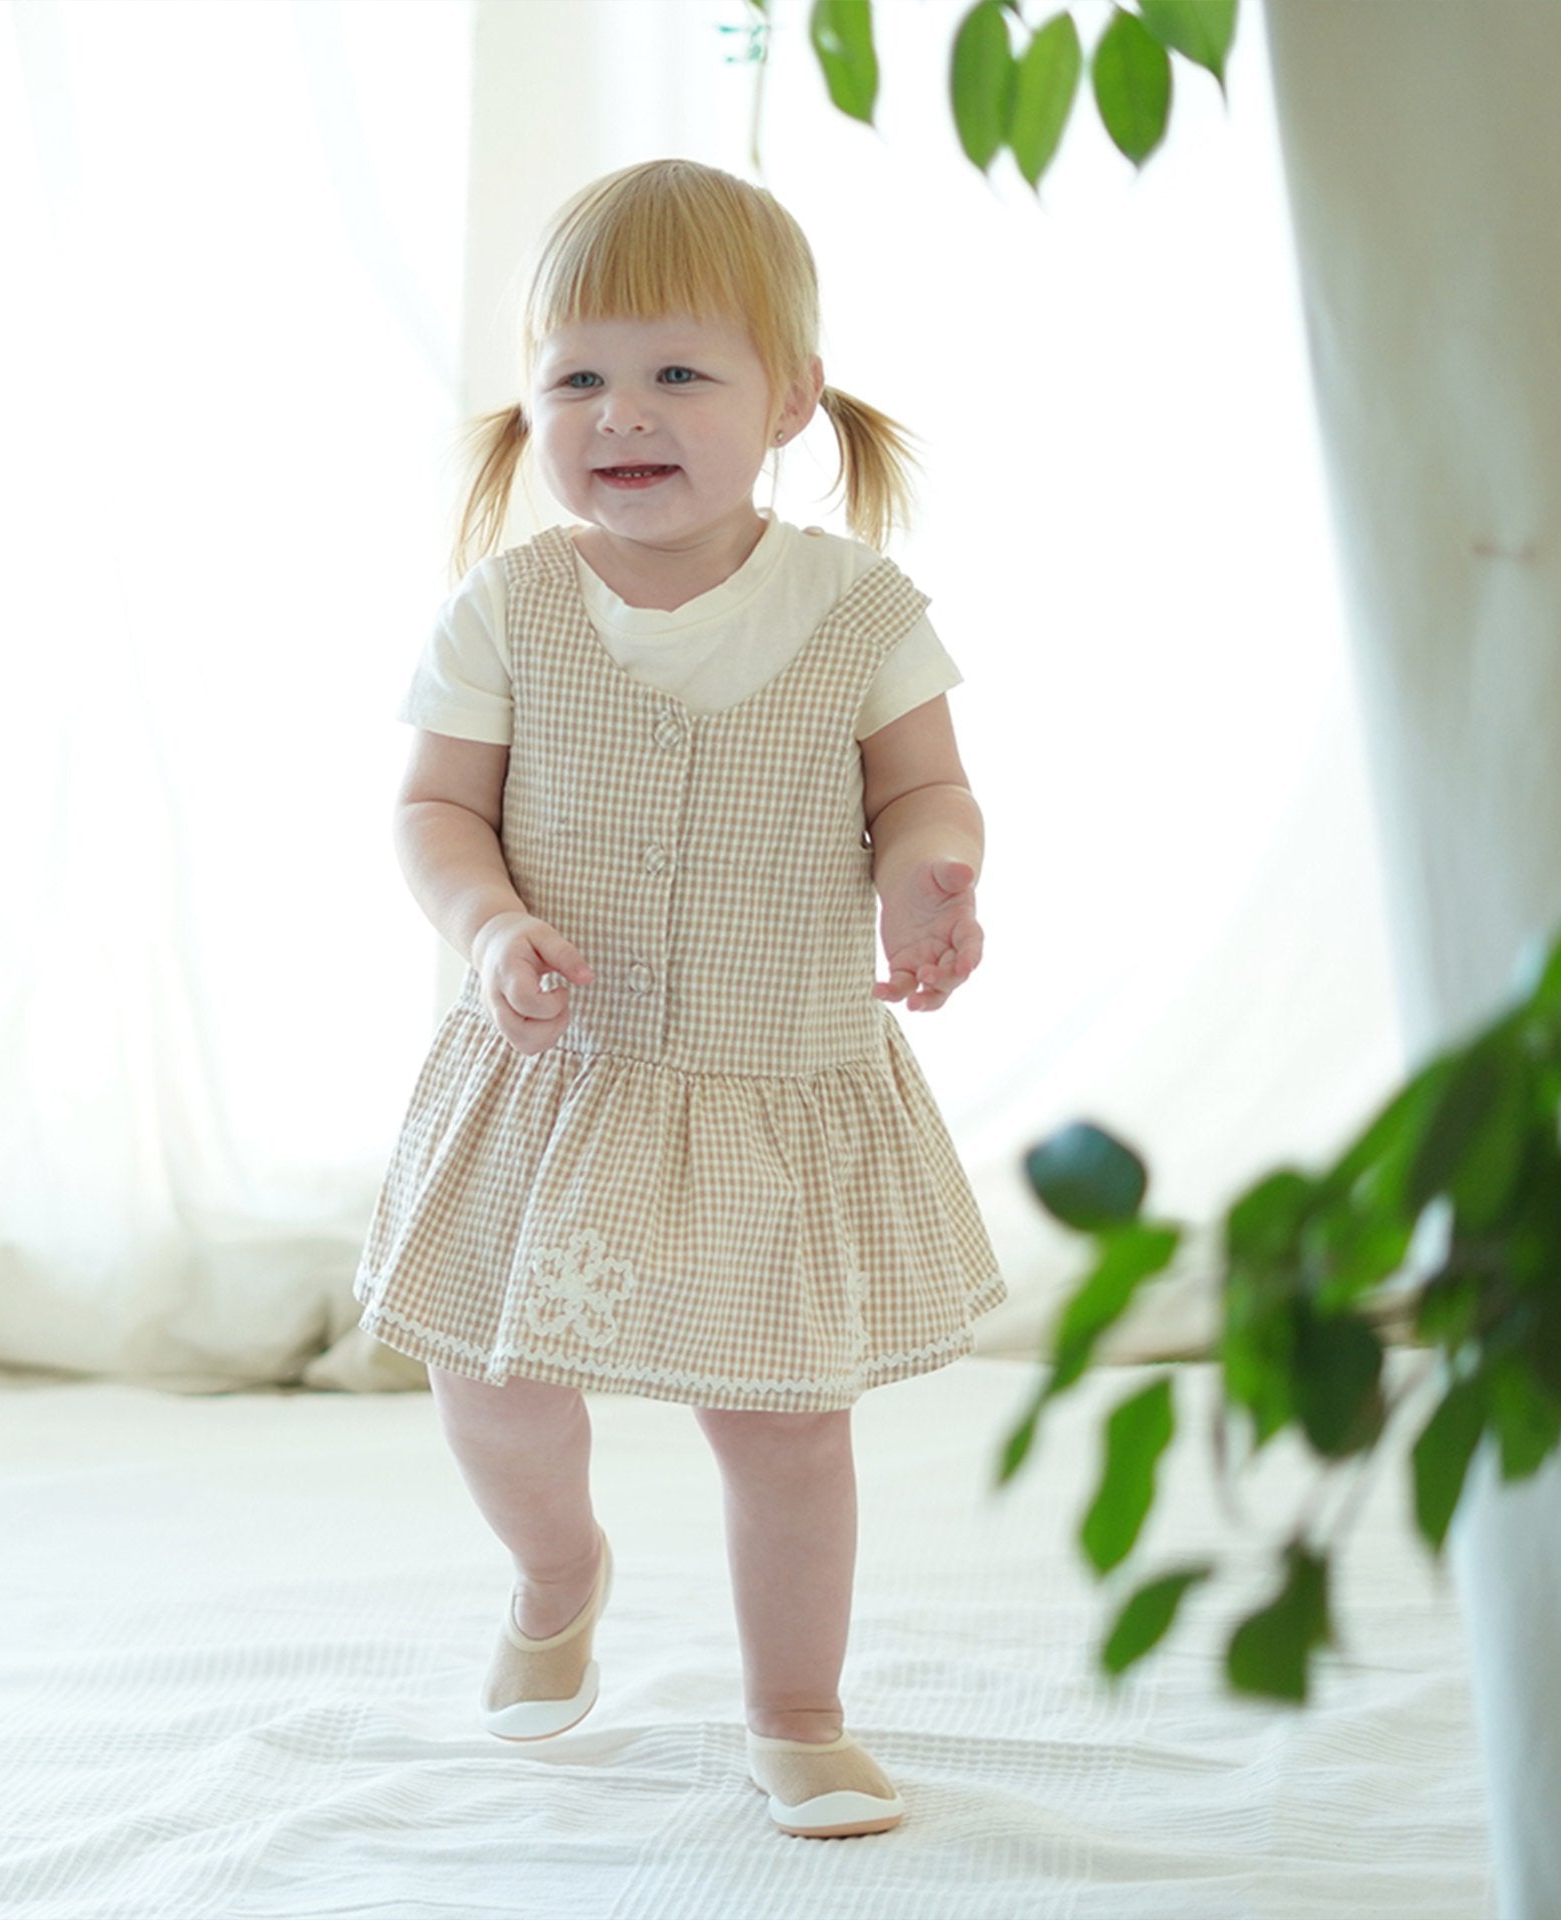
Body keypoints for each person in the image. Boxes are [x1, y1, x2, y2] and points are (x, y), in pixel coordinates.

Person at [355, 158, 1003, 1839]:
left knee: (783, 1426)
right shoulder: (510, 606)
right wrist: (491, 925)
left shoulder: (858, 610)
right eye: (576, 374)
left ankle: (798, 1715)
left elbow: (924, 791)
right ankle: (555, 1571)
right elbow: (433, 812)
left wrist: (933, 872)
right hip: (551, 1071)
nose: (621, 412)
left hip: (768, 1080)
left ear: (789, 400)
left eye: (677, 372)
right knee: (489, 1379)